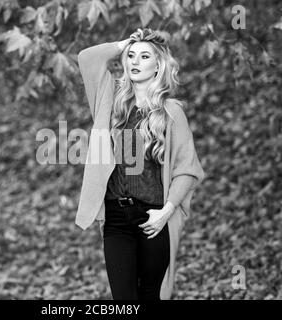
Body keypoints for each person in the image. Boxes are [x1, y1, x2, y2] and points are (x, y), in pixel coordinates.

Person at [75, 28, 205, 300]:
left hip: (153, 217)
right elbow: (87, 58)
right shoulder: (110, 102)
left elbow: (187, 170)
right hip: (116, 219)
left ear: (158, 66)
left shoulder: (171, 112)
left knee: (149, 295)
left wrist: (166, 212)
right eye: (131, 56)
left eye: (144, 56)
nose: (135, 61)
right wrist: (124, 43)